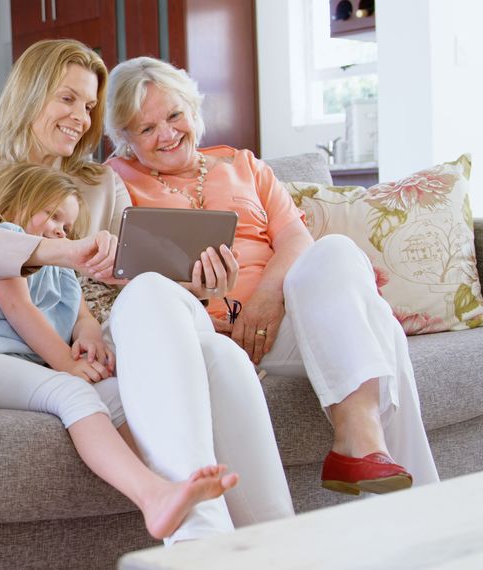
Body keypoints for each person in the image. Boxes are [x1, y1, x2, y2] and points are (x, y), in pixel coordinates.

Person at [0, 38, 294, 544]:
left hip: (112, 332)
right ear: (29, 95)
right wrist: (58, 252)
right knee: (160, 317)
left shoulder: (98, 183)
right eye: (67, 98)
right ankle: (196, 538)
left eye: (90, 105)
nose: (80, 116)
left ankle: (285, 544)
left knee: (219, 356)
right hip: (43, 349)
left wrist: (203, 285)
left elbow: (135, 268)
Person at [103, 56, 439, 495]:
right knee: (385, 335)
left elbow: (297, 240)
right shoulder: (114, 183)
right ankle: (415, 500)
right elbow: (123, 283)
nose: (167, 134)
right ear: (125, 138)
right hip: (203, 334)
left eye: (174, 115)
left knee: (336, 251)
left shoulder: (244, 166)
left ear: (192, 110)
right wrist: (196, 292)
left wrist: (267, 298)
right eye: (147, 129)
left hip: (279, 323)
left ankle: (360, 442)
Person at [0, 163, 237, 539]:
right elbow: (18, 309)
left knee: (117, 395)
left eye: (66, 226)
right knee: (72, 391)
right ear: (12, 209)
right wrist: (66, 362)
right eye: (50, 215)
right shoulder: (4, 240)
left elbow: (82, 316)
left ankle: (172, 484)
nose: (58, 230)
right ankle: (153, 495)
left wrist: (90, 339)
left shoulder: (63, 269)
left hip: (22, 369)